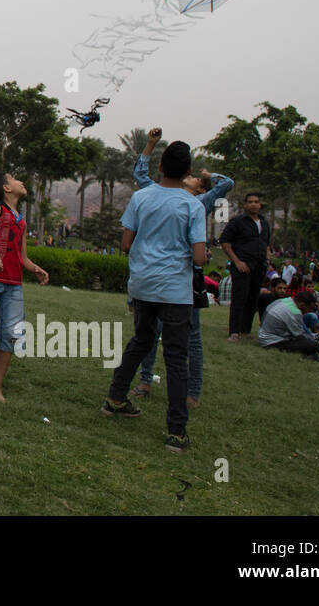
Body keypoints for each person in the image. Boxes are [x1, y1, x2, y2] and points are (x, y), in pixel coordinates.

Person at [101, 140, 206, 454]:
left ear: (160, 166)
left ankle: (116, 398)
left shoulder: (141, 197)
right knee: (176, 357)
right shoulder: (193, 206)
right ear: (188, 171)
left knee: (141, 341)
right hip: (175, 290)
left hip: (143, 285)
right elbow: (199, 258)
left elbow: (125, 244)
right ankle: (176, 432)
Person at [129, 126, 232, 407]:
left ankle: (192, 392)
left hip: (184, 281)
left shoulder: (199, 202)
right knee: (149, 334)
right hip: (156, 276)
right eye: (190, 172)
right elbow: (139, 174)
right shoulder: (154, 192)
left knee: (191, 339)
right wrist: (151, 144)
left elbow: (227, 184)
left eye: (194, 177)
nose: (191, 178)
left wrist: (209, 178)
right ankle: (145, 380)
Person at [0, 172, 48, 401]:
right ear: (6, 188)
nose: (20, 182)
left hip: (13, 285)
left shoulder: (21, 220)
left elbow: (22, 258)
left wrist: (36, 269)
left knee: (12, 335)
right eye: (14, 179)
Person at [220, 192, 272, 341]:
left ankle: (245, 330)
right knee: (239, 298)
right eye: (250, 202)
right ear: (245, 205)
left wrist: (267, 261)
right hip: (242, 264)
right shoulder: (237, 221)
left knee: (252, 299)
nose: (253, 204)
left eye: (256, 202)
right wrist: (236, 262)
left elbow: (266, 243)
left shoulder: (264, 223)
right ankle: (234, 331)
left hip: (259, 266)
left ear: (260, 205)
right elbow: (225, 242)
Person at [257, 290, 319, 358]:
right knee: (315, 346)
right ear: (303, 305)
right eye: (310, 308)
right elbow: (301, 337)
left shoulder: (283, 300)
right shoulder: (295, 313)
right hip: (272, 342)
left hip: (263, 336)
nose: (310, 311)